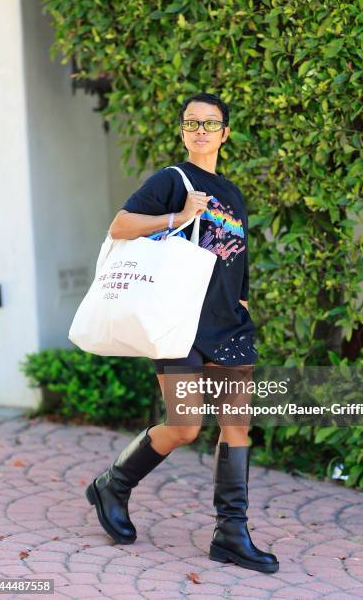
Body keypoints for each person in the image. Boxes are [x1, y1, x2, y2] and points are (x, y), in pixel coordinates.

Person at [85, 92, 279, 574]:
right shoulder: (173, 181)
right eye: (192, 122)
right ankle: (114, 483)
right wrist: (177, 218)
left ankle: (230, 534)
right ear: (183, 131)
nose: (200, 130)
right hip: (181, 326)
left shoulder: (232, 194)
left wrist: (243, 304)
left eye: (210, 123)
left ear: (225, 133)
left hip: (229, 325)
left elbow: (239, 261)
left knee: (237, 427)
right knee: (186, 426)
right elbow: (121, 225)